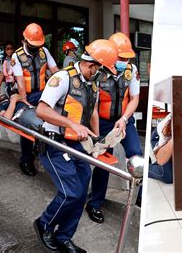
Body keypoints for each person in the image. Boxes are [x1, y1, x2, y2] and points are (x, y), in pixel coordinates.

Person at [33, 39, 118, 253]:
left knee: (81, 194)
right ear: (92, 65)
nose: (103, 76)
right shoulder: (62, 78)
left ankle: (64, 236)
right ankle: (44, 224)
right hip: (54, 142)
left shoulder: (93, 84)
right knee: (71, 192)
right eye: (102, 70)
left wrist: (99, 140)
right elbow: (42, 110)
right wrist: (71, 123)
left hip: (77, 145)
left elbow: (93, 112)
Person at [86, 32, 143, 224]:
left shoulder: (131, 70)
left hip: (124, 119)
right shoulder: (97, 71)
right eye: (121, 57)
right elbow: (92, 106)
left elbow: (134, 98)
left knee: (137, 155)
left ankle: (141, 197)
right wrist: (96, 134)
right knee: (104, 162)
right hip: (102, 122)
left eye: (127, 58)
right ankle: (94, 203)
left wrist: (125, 119)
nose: (124, 61)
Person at [10, 23, 59, 176]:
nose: (36, 48)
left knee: (51, 122)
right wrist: (25, 101)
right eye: (33, 45)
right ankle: (26, 159)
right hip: (28, 95)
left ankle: (43, 151)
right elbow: (20, 81)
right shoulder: (16, 56)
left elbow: (55, 71)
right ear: (25, 40)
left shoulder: (44, 51)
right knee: (29, 125)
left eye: (38, 45)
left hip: (44, 93)